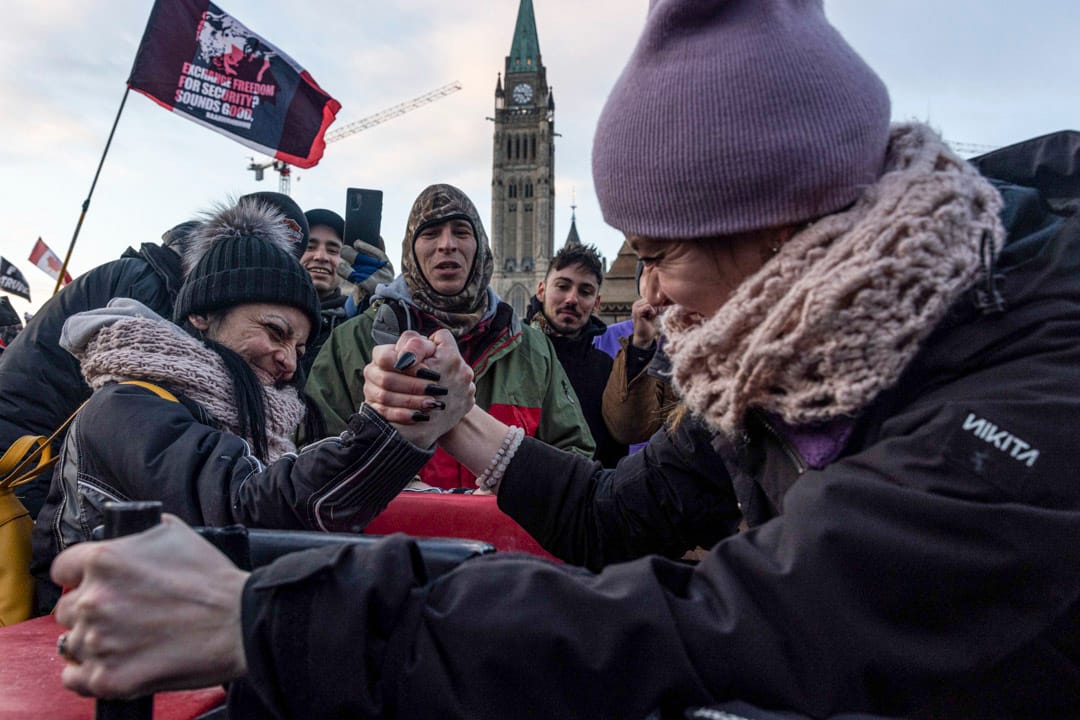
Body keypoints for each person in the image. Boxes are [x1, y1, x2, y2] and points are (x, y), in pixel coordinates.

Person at [47, 3, 1080, 718]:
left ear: (784, 229)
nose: (655, 296)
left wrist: (267, 619)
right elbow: (615, 515)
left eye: (665, 255)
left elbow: (740, 628)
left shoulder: (1028, 383)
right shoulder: (792, 364)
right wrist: (462, 419)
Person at [31, 199, 474, 614]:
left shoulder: (257, 419)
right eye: (276, 331)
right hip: (93, 654)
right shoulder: (127, 405)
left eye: (300, 347)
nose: (288, 359)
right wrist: (396, 435)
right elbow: (245, 515)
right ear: (203, 315)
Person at [306, 182, 594, 488]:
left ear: (480, 245)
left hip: (503, 532)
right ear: (411, 250)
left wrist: (514, 490)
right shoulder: (352, 341)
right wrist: (401, 489)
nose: (447, 244)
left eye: (461, 231)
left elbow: (574, 455)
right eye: (430, 233)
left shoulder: (533, 349)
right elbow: (315, 454)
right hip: (390, 533)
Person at [0, 219, 201, 519]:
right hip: (34, 437)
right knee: (22, 542)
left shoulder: (130, 274)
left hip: (25, 425)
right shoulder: (147, 285)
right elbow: (136, 398)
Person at [526, 242, 627, 466]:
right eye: (562, 286)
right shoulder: (512, 353)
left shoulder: (605, 368)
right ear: (541, 290)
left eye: (585, 291)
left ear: (597, 303)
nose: (572, 299)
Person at [299, 207, 394, 376]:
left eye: (333, 250)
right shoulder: (266, 311)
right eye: (310, 246)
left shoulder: (359, 318)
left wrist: (386, 302)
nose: (321, 256)